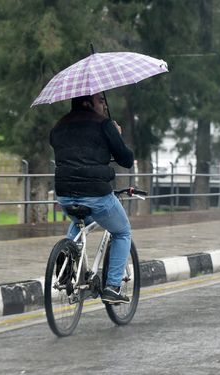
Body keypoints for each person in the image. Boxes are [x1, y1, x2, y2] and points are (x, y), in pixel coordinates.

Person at [49, 93, 134, 304]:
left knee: (81, 221)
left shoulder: (58, 127)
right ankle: (113, 287)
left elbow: (75, 151)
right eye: (101, 100)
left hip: (64, 195)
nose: (104, 105)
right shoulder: (103, 125)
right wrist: (115, 135)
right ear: (87, 102)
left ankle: (68, 258)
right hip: (96, 194)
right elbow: (126, 159)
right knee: (122, 231)